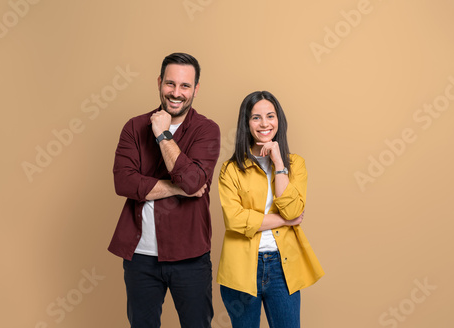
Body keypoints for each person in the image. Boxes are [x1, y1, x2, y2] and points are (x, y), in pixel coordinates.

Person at [108, 52, 220, 328]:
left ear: (195, 89)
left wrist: (162, 134)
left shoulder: (207, 130)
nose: (176, 93)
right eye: (170, 84)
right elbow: (124, 183)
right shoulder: (134, 127)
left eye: (184, 86)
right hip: (140, 258)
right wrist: (178, 188)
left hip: (191, 257)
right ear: (159, 82)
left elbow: (193, 182)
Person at [217, 91, 324, 328]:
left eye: (270, 116)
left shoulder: (295, 164)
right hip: (241, 268)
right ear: (246, 123)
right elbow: (235, 221)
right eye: (256, 117)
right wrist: (286, 222)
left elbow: (292, 209)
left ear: (279, 120)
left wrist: (279, 164)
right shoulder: (230, 170)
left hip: (282, 267)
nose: (264, 123)